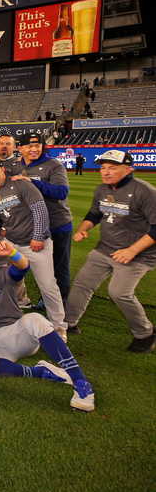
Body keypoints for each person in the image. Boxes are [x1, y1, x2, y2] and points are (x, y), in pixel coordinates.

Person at [0, 242, 95, 411]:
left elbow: (22, 268)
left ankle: (80, 381)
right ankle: (40, 372)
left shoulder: (2, 274)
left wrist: (13, 253)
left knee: (35, 319)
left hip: (19, 332)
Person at [64, 150, 156, 353]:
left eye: (112, 168)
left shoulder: (144, 191)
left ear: (128, 169)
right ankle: (67, 324)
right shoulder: (101, 189)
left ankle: (146, 334)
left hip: (138, 254)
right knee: (82, 284)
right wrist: (83, 228)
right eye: (103, 167)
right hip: (105, 249)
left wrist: (131, 251)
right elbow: (95, 214)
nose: (105, 172)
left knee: (119, 292)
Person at [0, 156, 66, 338]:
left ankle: (59, 325)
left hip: (34, 243)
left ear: (2, 169)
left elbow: (40, 210)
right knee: (2, 281)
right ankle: (8, 319)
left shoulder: (21, 184)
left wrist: (38, 236)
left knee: (48, 285)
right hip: (11, 244)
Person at [11, 133, 73, 303]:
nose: (34, 149)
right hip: (32, 226)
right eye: (29, 146)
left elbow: (62, 192)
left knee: (59, 268)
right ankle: (45, 299)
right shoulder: (16, 167)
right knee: (42, 268)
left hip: (57, 224)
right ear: (20, 148)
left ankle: (62, 306)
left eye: (37, 145)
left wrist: (31, 181)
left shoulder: (54, 164)